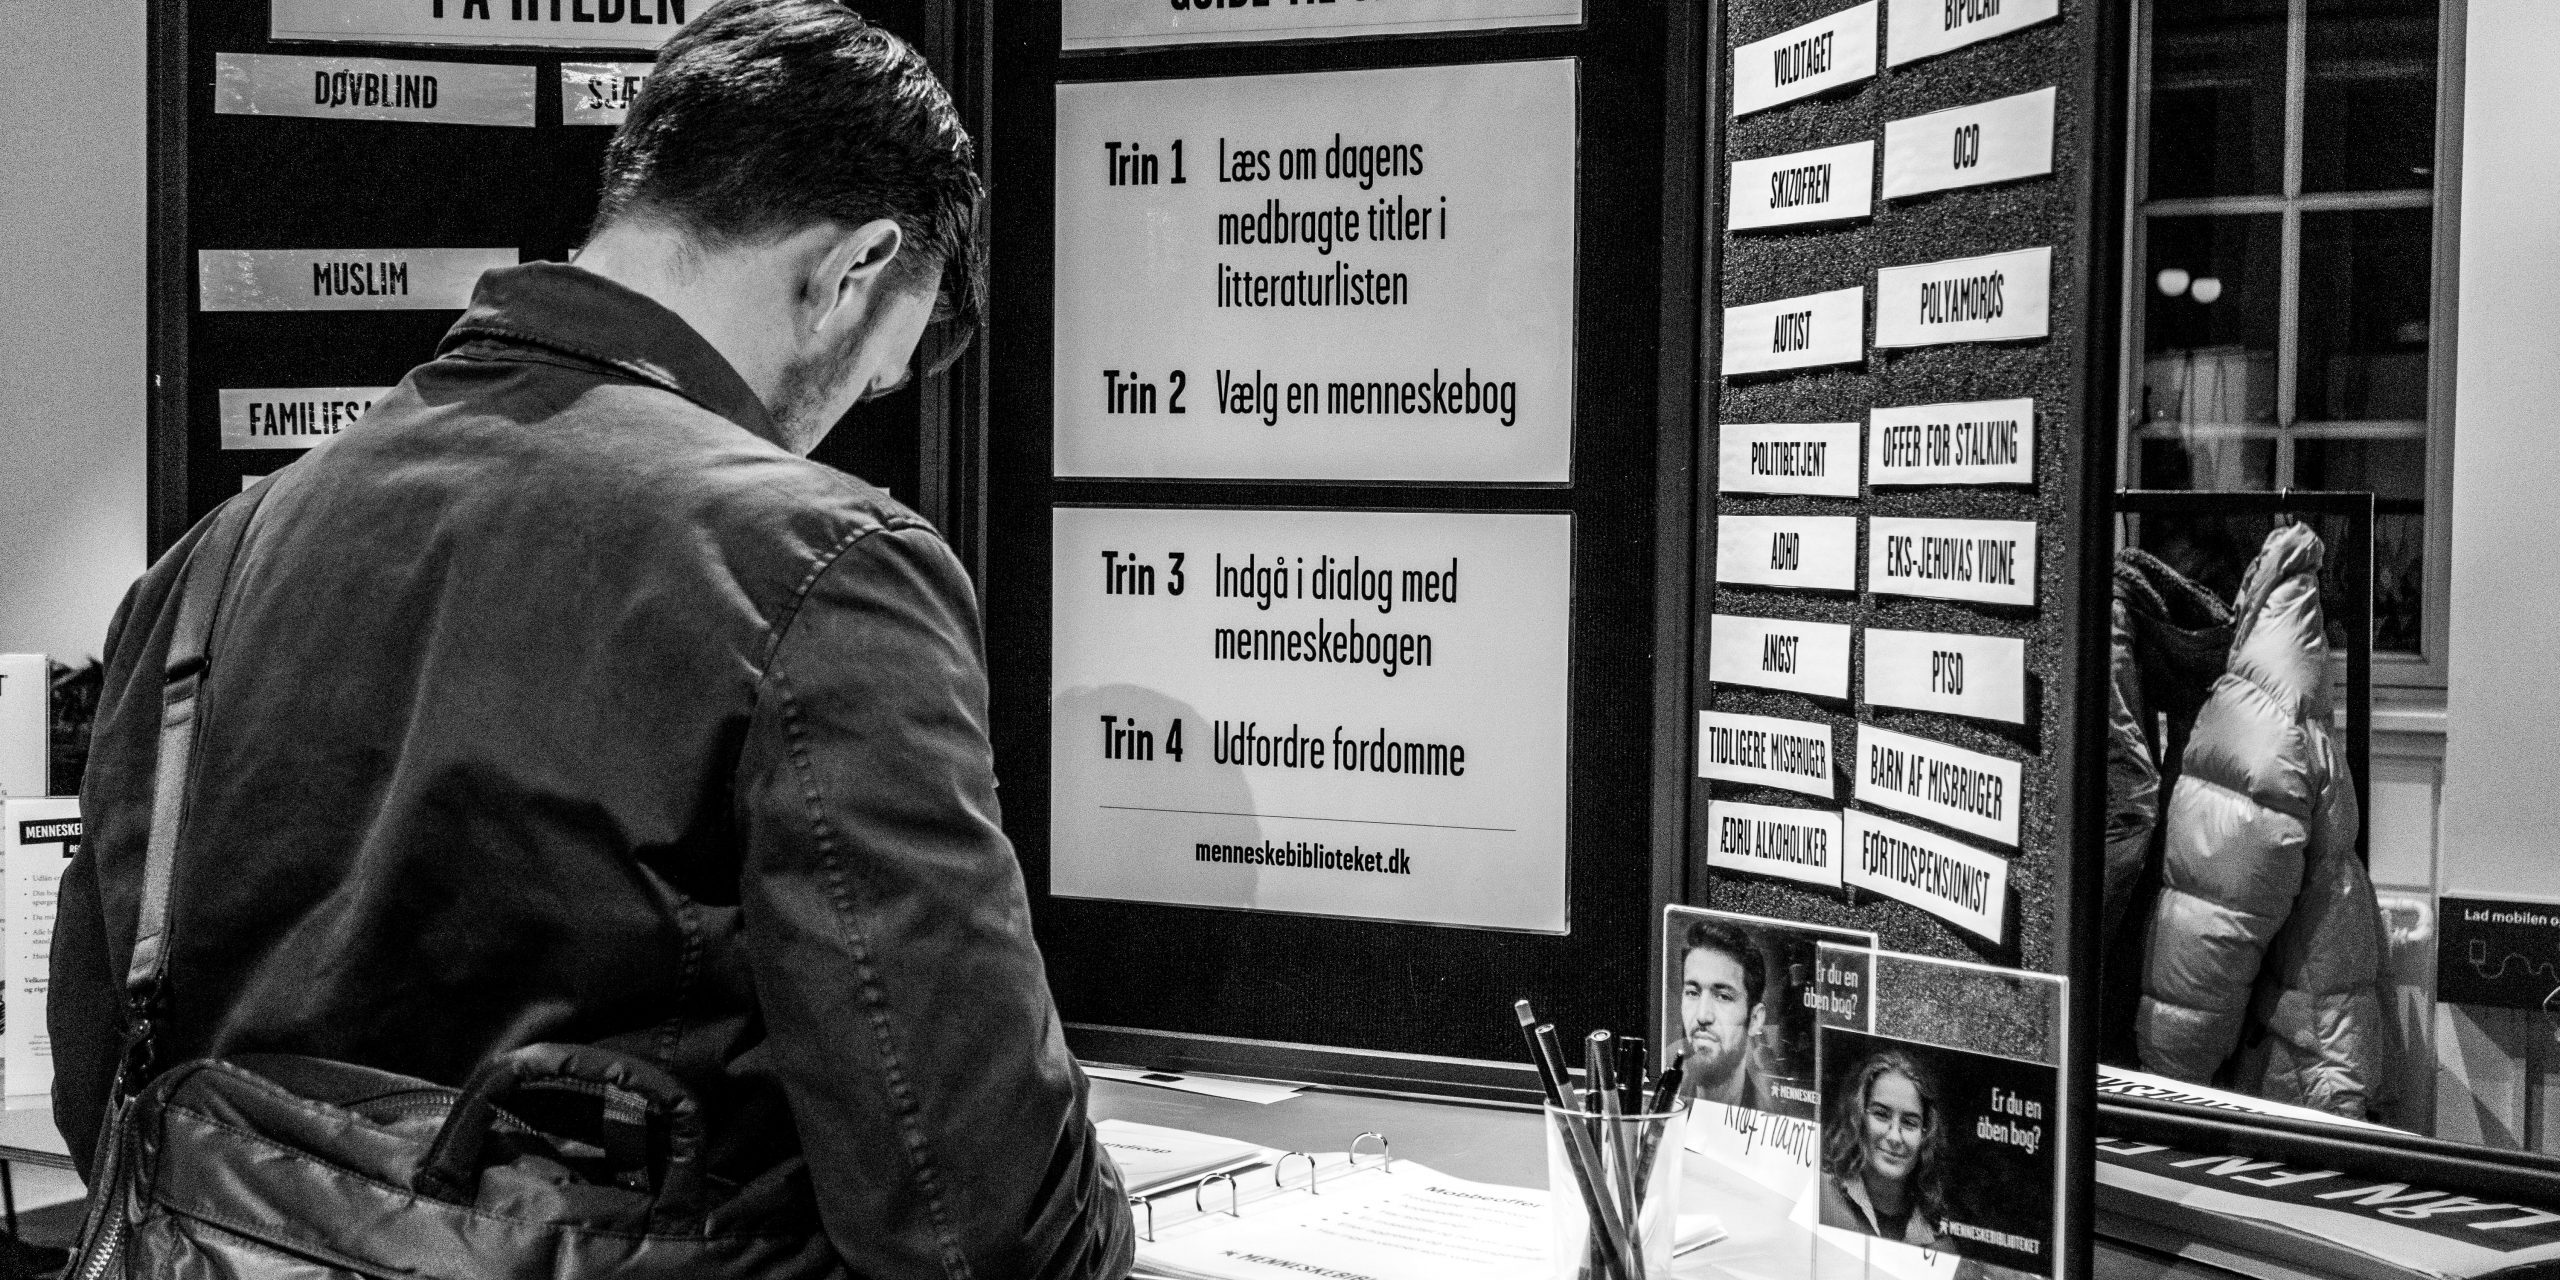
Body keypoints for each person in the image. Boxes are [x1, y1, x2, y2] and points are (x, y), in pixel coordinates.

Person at [50, 4, 1134, 1278]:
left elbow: (101, 1074)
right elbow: (975, 1218)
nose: (842, 421)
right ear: (852, 272)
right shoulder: (823, 568)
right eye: (875, 377)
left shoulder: (217, 557)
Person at [1818, 1049, 1945, 1248]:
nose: (1894, 1136)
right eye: (1881, 1114)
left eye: (1910, 1123)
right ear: (1860, 1118)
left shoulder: (1940, 1234)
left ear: (1925, 1134)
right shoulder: (1822, 1195)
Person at [1678, 918, 1769, 1108]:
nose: (1702, 1016)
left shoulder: (1772, 1118)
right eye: (1692, 993)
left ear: (1755, 1019)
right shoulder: (1662, 1103)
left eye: (1723, 997)